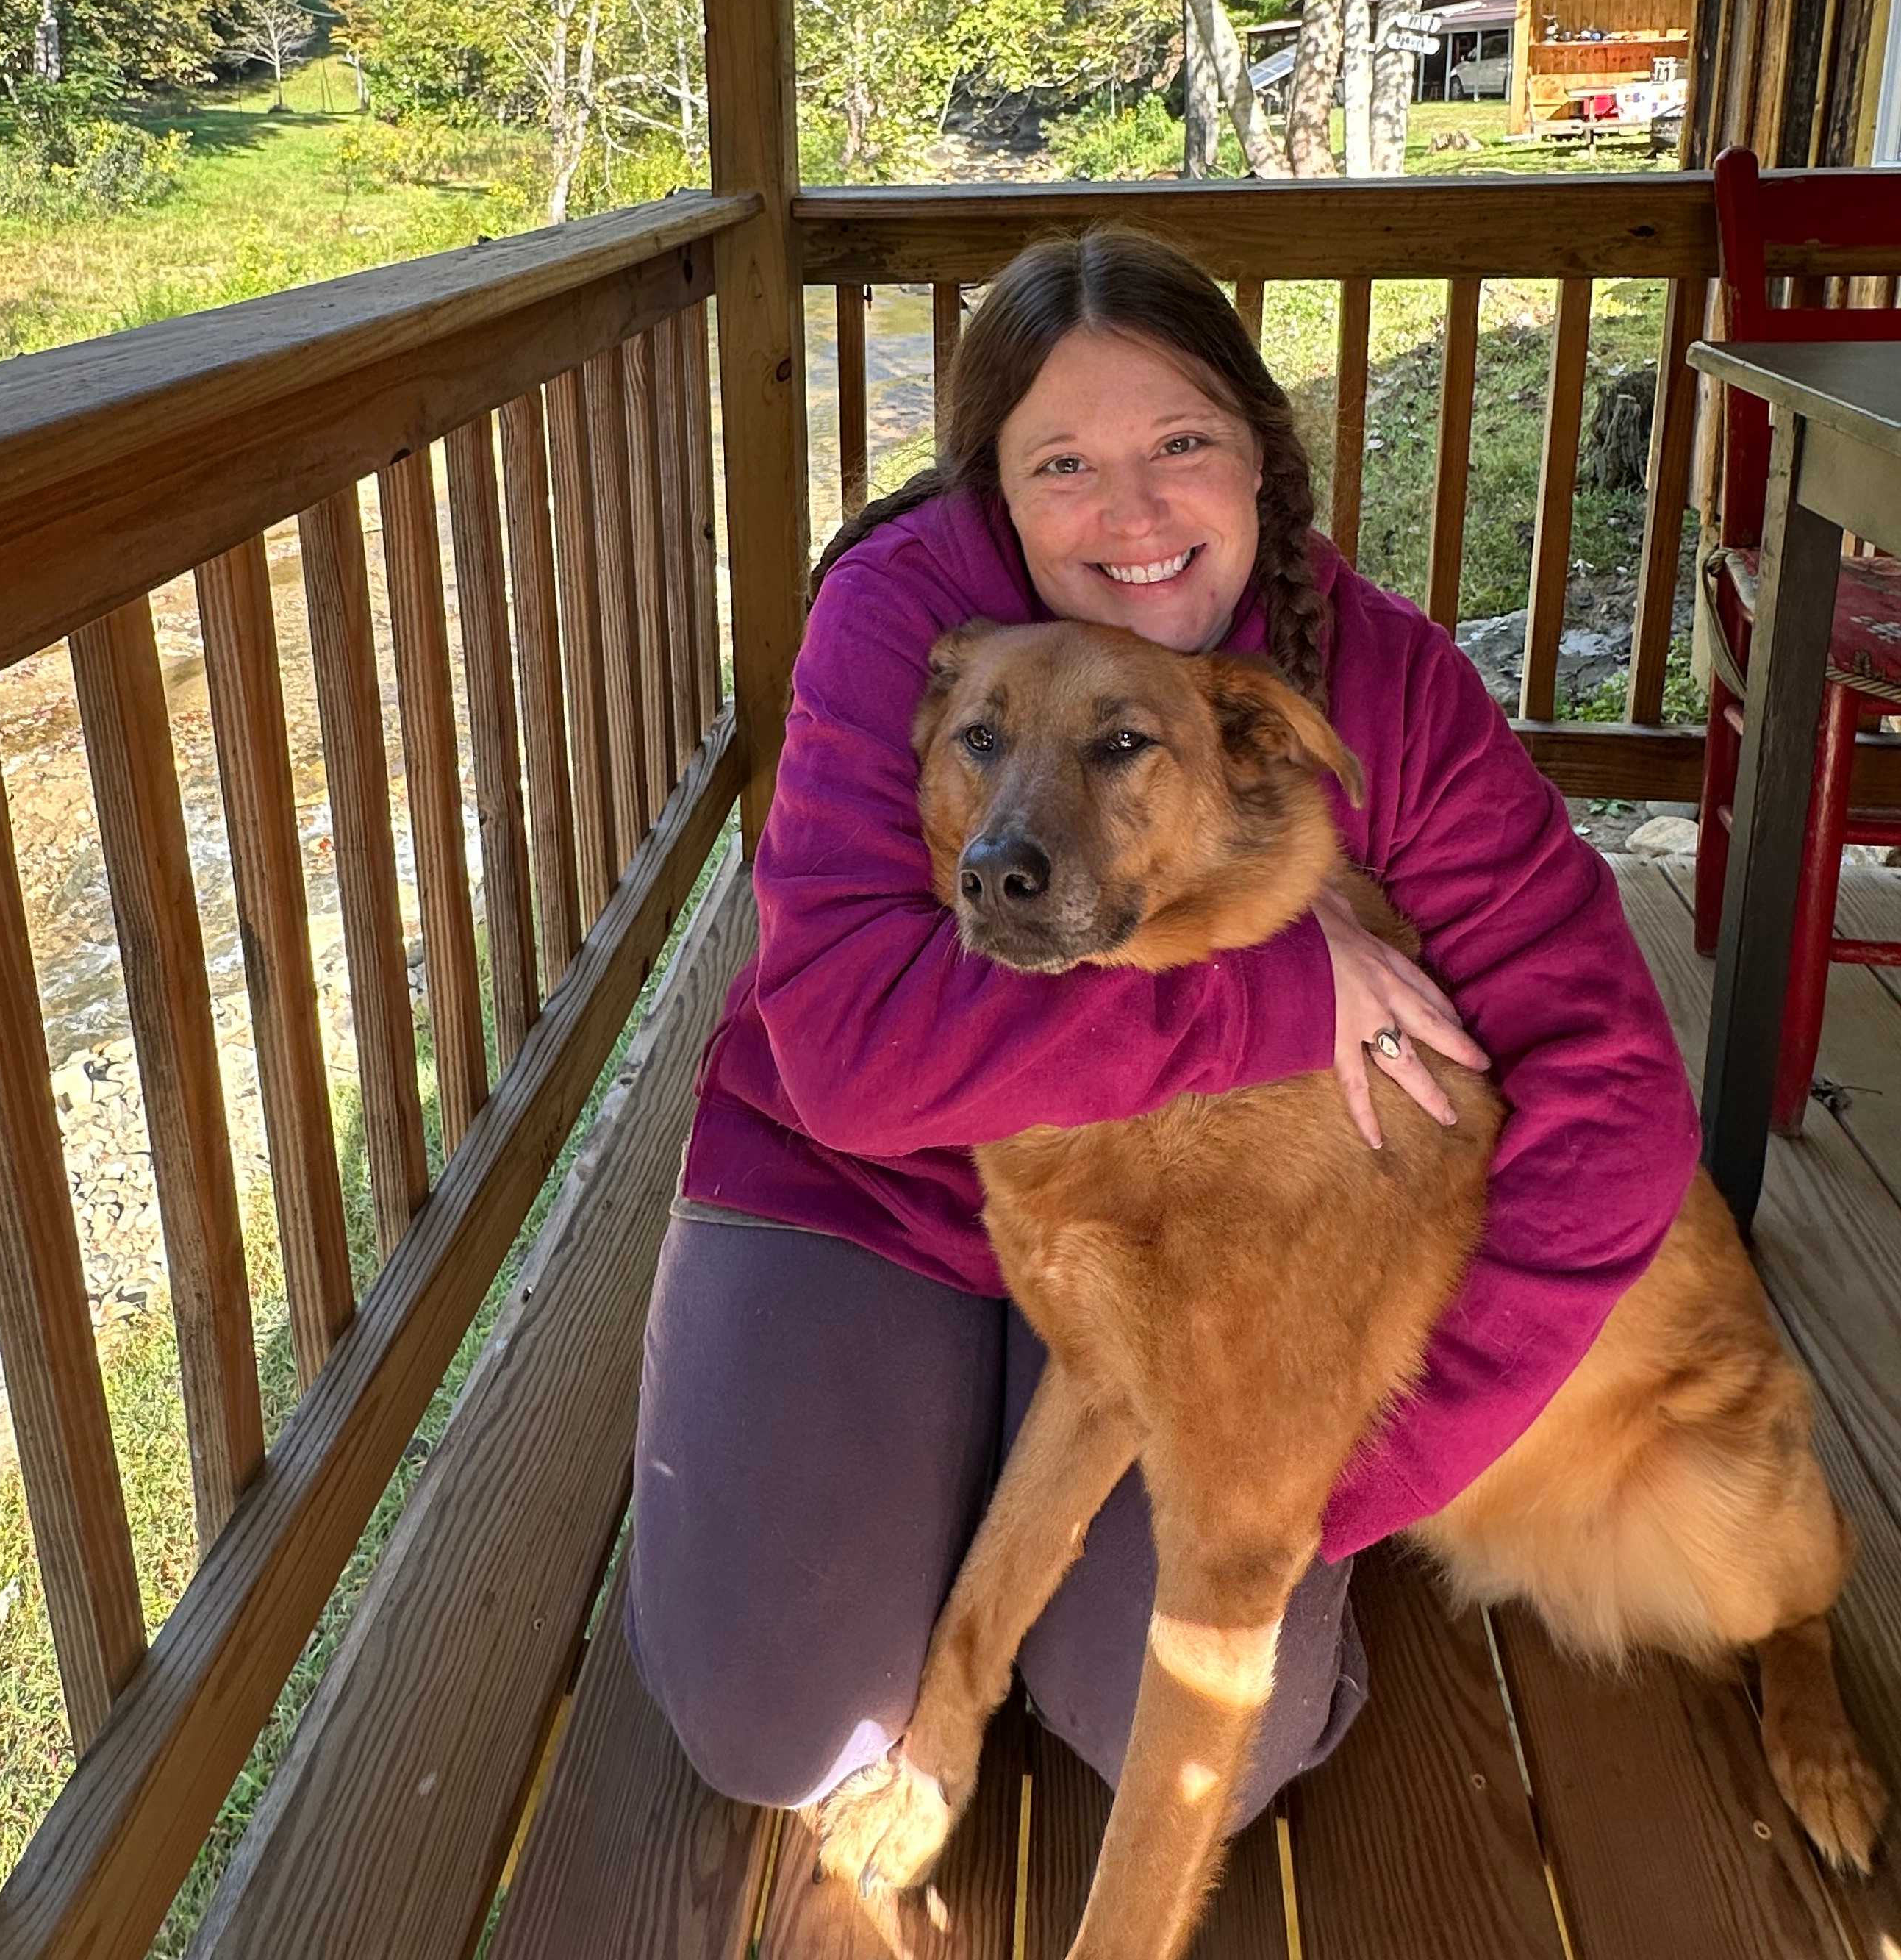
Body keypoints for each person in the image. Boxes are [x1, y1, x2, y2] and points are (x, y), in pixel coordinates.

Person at [626, 227, 1700, 1822]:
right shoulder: (906, 624)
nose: (1130, 514)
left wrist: (1360, 1465)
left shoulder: (1379, 682)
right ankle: (894, 1405)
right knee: (783, 1729)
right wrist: (1279, 990)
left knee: (1177, 1734)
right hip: (874, 1191)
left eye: (1181, 444)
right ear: (996, 485)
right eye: (1064, 463)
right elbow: (846, 1052)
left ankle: (1017, 1464)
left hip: (1198, 1249)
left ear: (1263, 459)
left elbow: (1615, 1097)